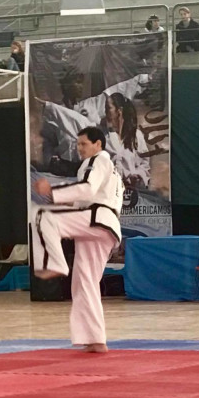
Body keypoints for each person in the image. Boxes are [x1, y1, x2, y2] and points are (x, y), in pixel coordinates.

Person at [32, 126, 124, 353]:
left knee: (42, 217)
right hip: (105, 227)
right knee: (85, 282)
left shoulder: (98, 160)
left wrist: (52, 191)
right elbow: (83, 198)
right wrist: (57, 197)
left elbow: (88, 189)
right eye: (77, 144)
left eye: (83, 144)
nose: (79, 148)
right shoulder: (112, 171)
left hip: (96, 219)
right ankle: (96, 339)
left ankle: (55, 264)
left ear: (98, 144)